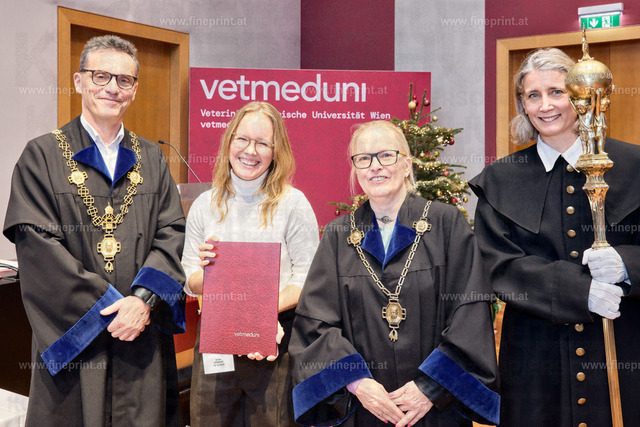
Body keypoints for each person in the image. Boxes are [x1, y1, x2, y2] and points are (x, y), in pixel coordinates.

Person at [3, 35, 186, 425]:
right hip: (75, 343)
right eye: (101, 76)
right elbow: (36, 245)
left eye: (124, 80)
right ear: (79, 81)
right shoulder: (42, 155)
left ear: (134, 89)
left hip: (140, 335)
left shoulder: (152, 158)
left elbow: (171, 232)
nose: (112, 88)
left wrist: (142, 302)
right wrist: (106, 309)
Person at [470, 47, 640, 426]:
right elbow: (497, 265)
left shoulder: (634, 164)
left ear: (580, 96)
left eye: (557, 92)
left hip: (623, 342)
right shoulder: (500, 179)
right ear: (522, 105)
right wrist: (580, 290)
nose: (545, 105)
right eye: (533, 95)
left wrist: (627, 264)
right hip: (535, 358)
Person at [289, 120, 500, 427]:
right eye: (363, 158)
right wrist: (357, 383)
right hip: (364, 409)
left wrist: (430, 388)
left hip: (434, 410)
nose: (375, 166)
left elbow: (470, 313)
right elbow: (314, 324)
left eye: (386, 155)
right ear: (355, 169)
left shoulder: (446, 224)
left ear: (406, 164)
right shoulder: (338, 235)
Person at [181, 101, 319, 426]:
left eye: (262, 143)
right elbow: (188, 278)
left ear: (276, 150)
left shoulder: (293, 204)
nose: (250, 150)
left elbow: (307, 278)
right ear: (229, 141)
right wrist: (209, 274)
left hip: (273, 341)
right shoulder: (204, 204)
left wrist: (258, 313)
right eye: (242, 139)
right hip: (216, 339)